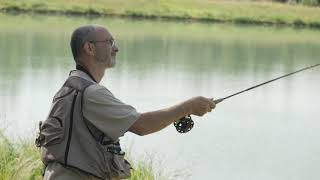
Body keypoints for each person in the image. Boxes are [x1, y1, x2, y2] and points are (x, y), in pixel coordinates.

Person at [36, 25, 216, 180]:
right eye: (109, 42)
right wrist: (190, 106)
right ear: (90, 48)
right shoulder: (91, 93)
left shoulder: (72, 85)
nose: (116, 48)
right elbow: (142, 126)